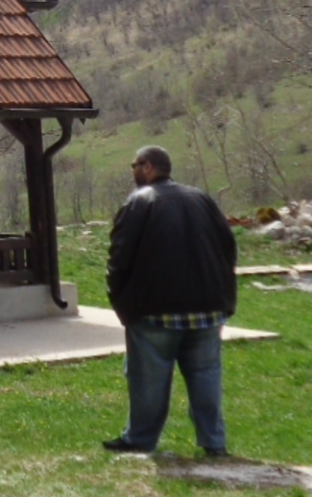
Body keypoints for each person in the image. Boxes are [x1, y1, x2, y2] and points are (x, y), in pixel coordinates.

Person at [103, 145, 238, 457]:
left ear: (148, 167)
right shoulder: (202, 199)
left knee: (148, 380)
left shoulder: (139, 202)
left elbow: (119, 257)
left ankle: (140, 439)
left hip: (155, 312)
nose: (133, 171)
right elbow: (228, 248)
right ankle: (214, 442)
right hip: (207, 309)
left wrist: (121, 302)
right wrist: (224, 296)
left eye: (134, 165)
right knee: (206, 376)